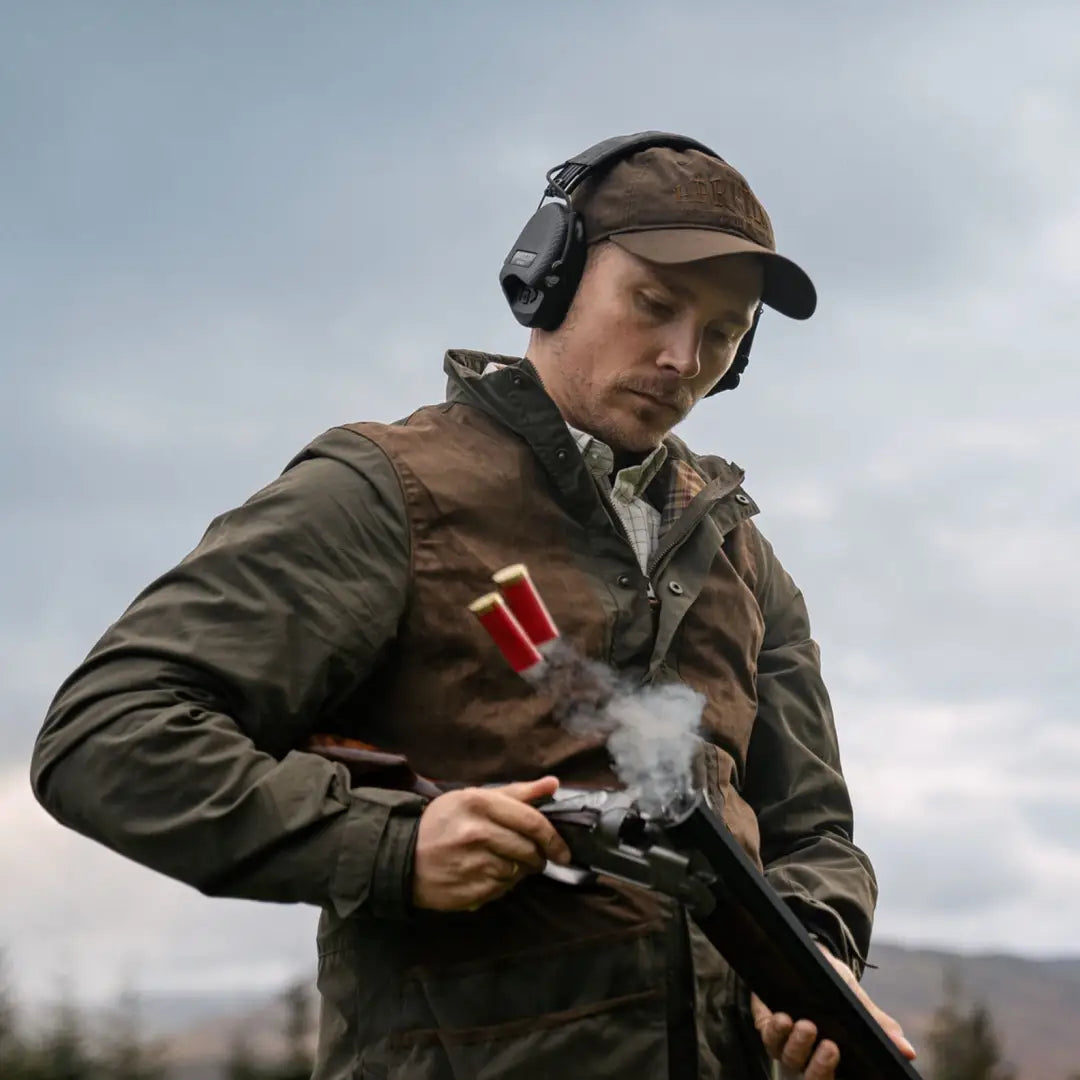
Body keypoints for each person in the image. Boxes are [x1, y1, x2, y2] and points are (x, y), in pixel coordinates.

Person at [30, 132, 916, 1079]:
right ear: (551, 275)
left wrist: (812, 954)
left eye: (723, 335)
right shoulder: (385, 491)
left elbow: (814, 831)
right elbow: (107, 733)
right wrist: (389, 847)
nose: (681, 359)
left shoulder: (741, 552)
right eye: (654, 305)